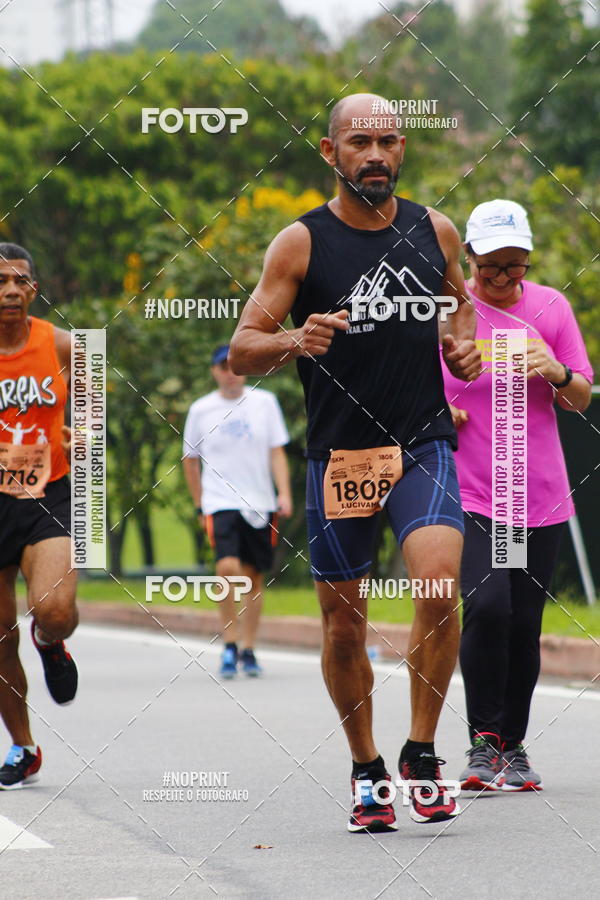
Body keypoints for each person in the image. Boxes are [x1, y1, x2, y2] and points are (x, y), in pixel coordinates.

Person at [229, 93, 481, 832]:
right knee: (344, 626)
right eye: (359, 141)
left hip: (422, 442)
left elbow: (460, 304)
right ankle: (367, 767)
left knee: (439, 585)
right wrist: (293, 340)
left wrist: (458, 344)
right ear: (329, 151)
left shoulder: (433, 229)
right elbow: (243, 347)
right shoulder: (300, 244)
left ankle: (422, 754)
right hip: (340, 456)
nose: (375, 155)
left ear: (403, 149)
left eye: (388, 141)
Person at [441, 199, 593, 792]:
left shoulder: (551, 307)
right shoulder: (449, 311)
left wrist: (555, 370)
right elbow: (415, 391)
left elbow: (579, 397)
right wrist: (442, 411)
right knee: (488, 607)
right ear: (468, 257)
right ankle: (483, 741)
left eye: (515, 264)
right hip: (475, 493)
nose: (503, 277)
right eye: (491, 266)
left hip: (536, 496)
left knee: (523, 623)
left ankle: (513, 745)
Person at [0, 243, 78, 789]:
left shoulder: (63, 344)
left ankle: (50, 641)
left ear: (33, 289)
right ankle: (24, 747)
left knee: (55, 609)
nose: (10, 290)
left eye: (19, 281)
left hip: (47, 491)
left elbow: (94, 407)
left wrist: (84, 434)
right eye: (0, 281)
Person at [182, 344, 292, 678]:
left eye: (235, 367)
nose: (230, 374)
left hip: (259, 501)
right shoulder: (201, 410)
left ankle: (249, 647)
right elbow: (190, 460)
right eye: (223, 367)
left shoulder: (265, 403)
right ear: (214, 371)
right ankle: (229, 641)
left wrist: (284, 493)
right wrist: (199, 502)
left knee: (253, 577)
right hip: (219, 501)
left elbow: (276, 452)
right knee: (227, 567)